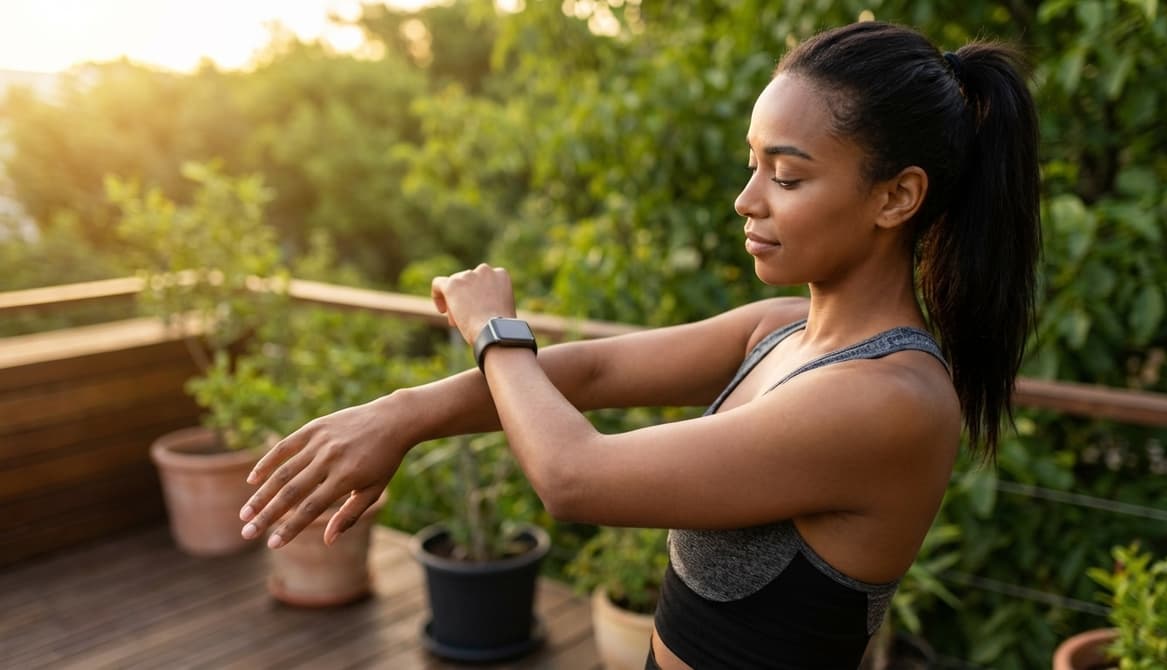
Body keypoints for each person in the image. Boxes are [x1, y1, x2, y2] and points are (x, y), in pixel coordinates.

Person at [237, 21, 1040, 669]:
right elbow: (591, 369)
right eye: (751, 166)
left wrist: (492, 327)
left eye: (787, 177)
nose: (746, 200)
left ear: (897, 196)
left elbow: (577, 478)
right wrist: (400, 415)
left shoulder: (886, 399)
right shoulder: (778, 331)